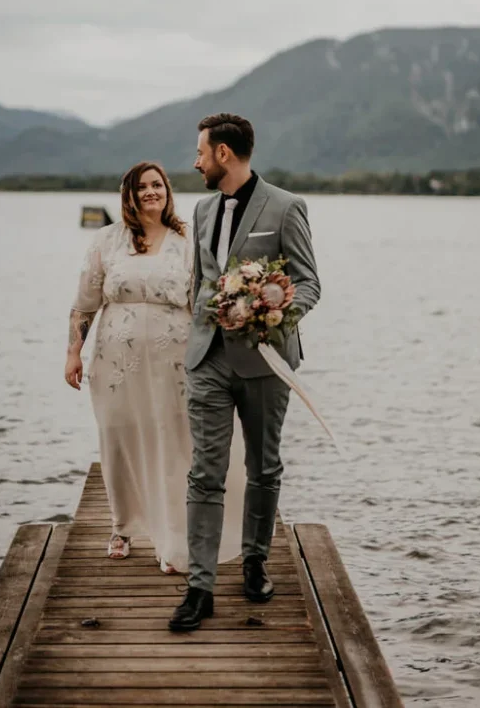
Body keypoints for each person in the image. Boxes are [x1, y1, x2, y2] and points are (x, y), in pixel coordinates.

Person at [169, 114, 321, 631]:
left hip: (264, 360)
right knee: (205, 471)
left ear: (224, 154)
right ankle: (200, 586)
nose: (195, 162)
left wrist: (272, 315)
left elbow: (308, 282)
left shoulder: (285, 207)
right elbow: (200, 282)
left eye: (200, 152)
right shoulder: (202, 208)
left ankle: (255, 562)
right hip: (207, 359)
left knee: (263, 465)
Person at [65, 161, 244, 573]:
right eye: (141, 186)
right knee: (118, 437)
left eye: (157, 185)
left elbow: (203, 303)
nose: (150, 192)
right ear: (128, 194)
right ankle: (121, 527)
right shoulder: (106, 241)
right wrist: (74, 352)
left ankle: (172, 537)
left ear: (167, 191)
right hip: (115, 363)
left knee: (173, 439)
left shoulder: (187, 240)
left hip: (175, 362)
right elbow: (84, 303)